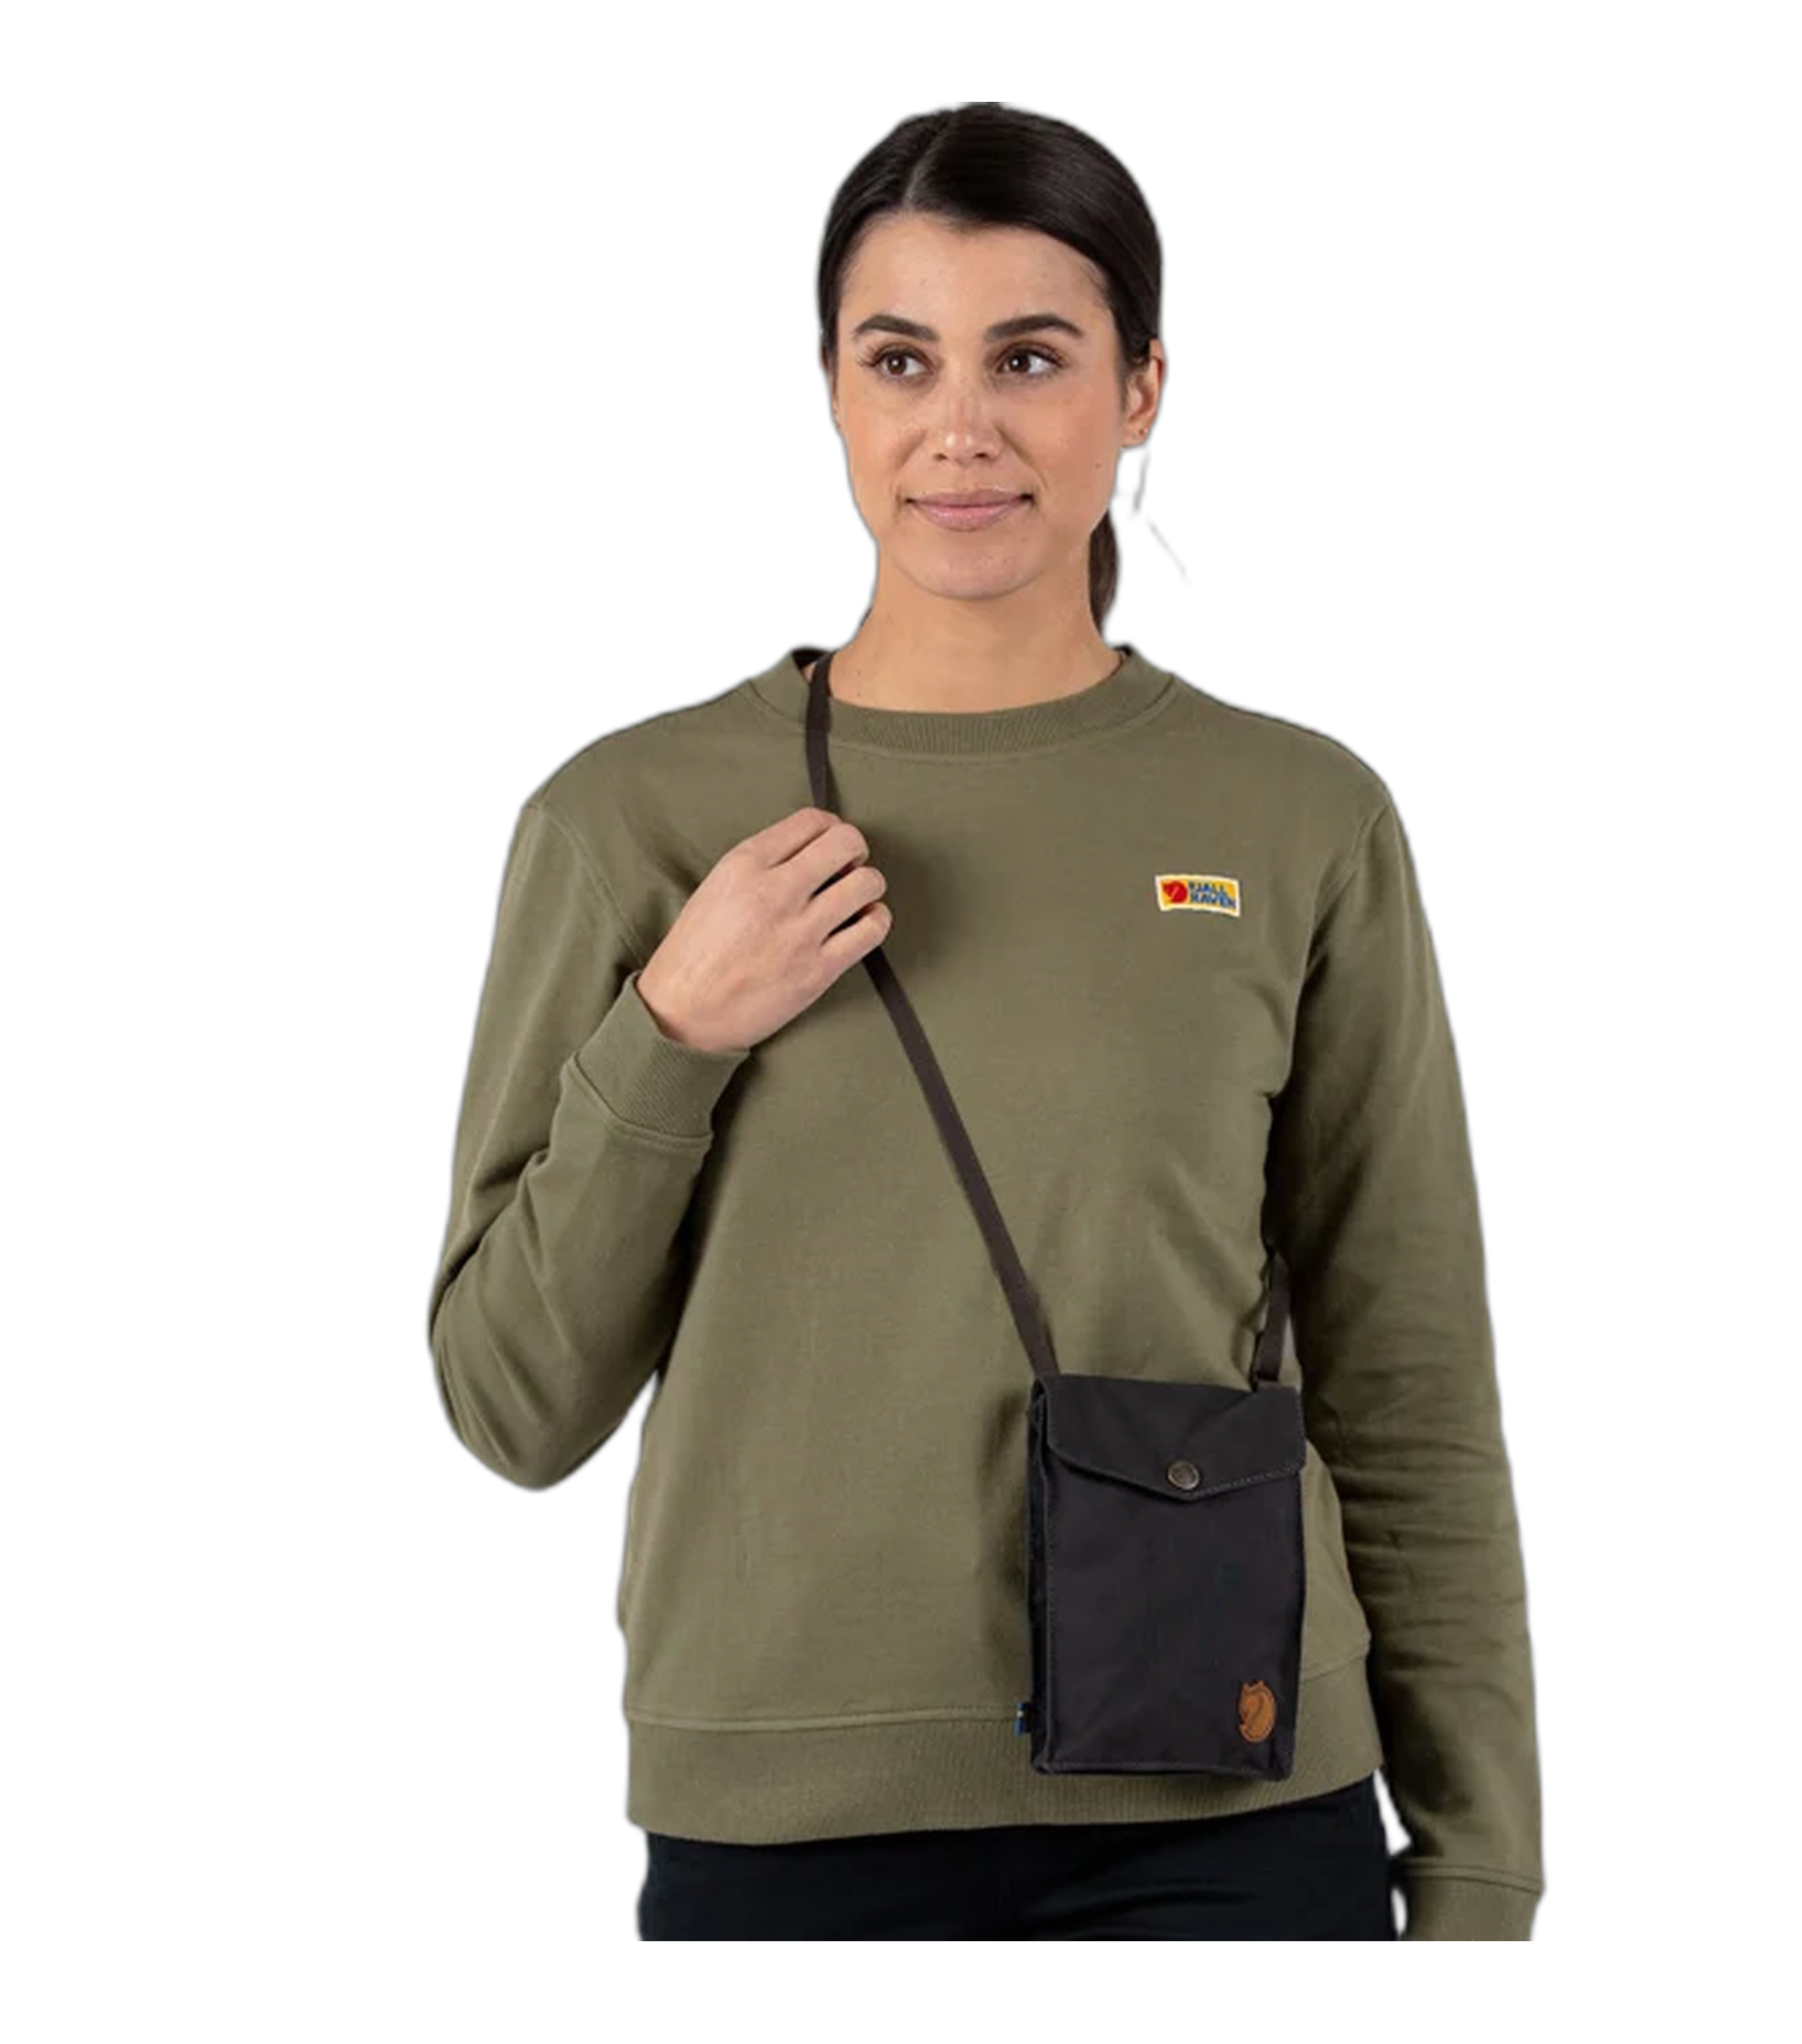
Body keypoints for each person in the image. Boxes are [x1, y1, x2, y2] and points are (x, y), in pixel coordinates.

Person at [426, 99, 1545, 1940]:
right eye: (900, 359)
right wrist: (671, 1033)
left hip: (1234, 1806)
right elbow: (512, 1407)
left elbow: (1411, 1386)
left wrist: (1480, 1866)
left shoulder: (1300, 818)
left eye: (1030, 357)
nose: (961, 426)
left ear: (1141, 390)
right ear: (832, 391)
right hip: (783, 1826)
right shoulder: (630, 822)